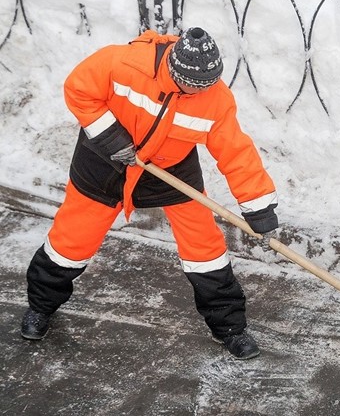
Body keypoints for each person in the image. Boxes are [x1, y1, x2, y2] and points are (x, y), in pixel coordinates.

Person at [20, 27, 278, 360]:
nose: (201, 92)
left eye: (207, 85)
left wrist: (259, 209)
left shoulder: (215, 99)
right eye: (194, 86)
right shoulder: (124, 63)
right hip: (104, 164)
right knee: (71, 242)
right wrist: (112, 138)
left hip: (170, 171)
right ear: (175, 71)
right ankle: (40, 307)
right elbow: (78, 88)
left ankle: (230, 328)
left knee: (204, 246)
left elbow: (236, 152)